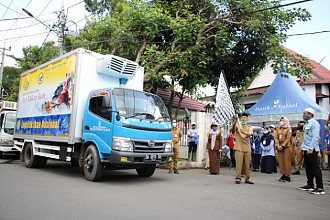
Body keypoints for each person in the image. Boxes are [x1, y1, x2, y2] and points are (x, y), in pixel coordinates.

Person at [298, 108, 325, 195]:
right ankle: (310, 184)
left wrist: (311, 148)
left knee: (315, 167)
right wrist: (303, 148)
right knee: (308, 167)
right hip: (306, 148)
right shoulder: (307, 123)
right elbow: (306, 137)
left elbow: (315, 137)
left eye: (305, 113)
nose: (304, 115)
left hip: (312, 149)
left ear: (310, 114)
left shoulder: (315, 123)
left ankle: (320, 187)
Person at [232, 112, 254, 184]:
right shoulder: (238, 125)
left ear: (247, 119)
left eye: (245, 118)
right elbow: (233, 128)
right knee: (239, 164)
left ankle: (248, 178)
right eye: (242, 118)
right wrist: (235, 120)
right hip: (238, 147)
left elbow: (249, 134)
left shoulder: (249, 127)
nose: (243, 119)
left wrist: (243, 131)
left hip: (247, 148)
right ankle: (238, 178)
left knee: (247, 164)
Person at [274, 117, 292, 182]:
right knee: (281, 161)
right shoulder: (278, 129)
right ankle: (283, 174)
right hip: (279, 146)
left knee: (287, 161)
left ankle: (288, 175)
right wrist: (277, 145)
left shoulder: (288, 129)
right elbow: (276, 137)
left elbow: (288, 138)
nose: (281, 121)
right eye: (281, 120)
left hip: (286, 146)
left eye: (283, 120)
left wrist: (283, 145)